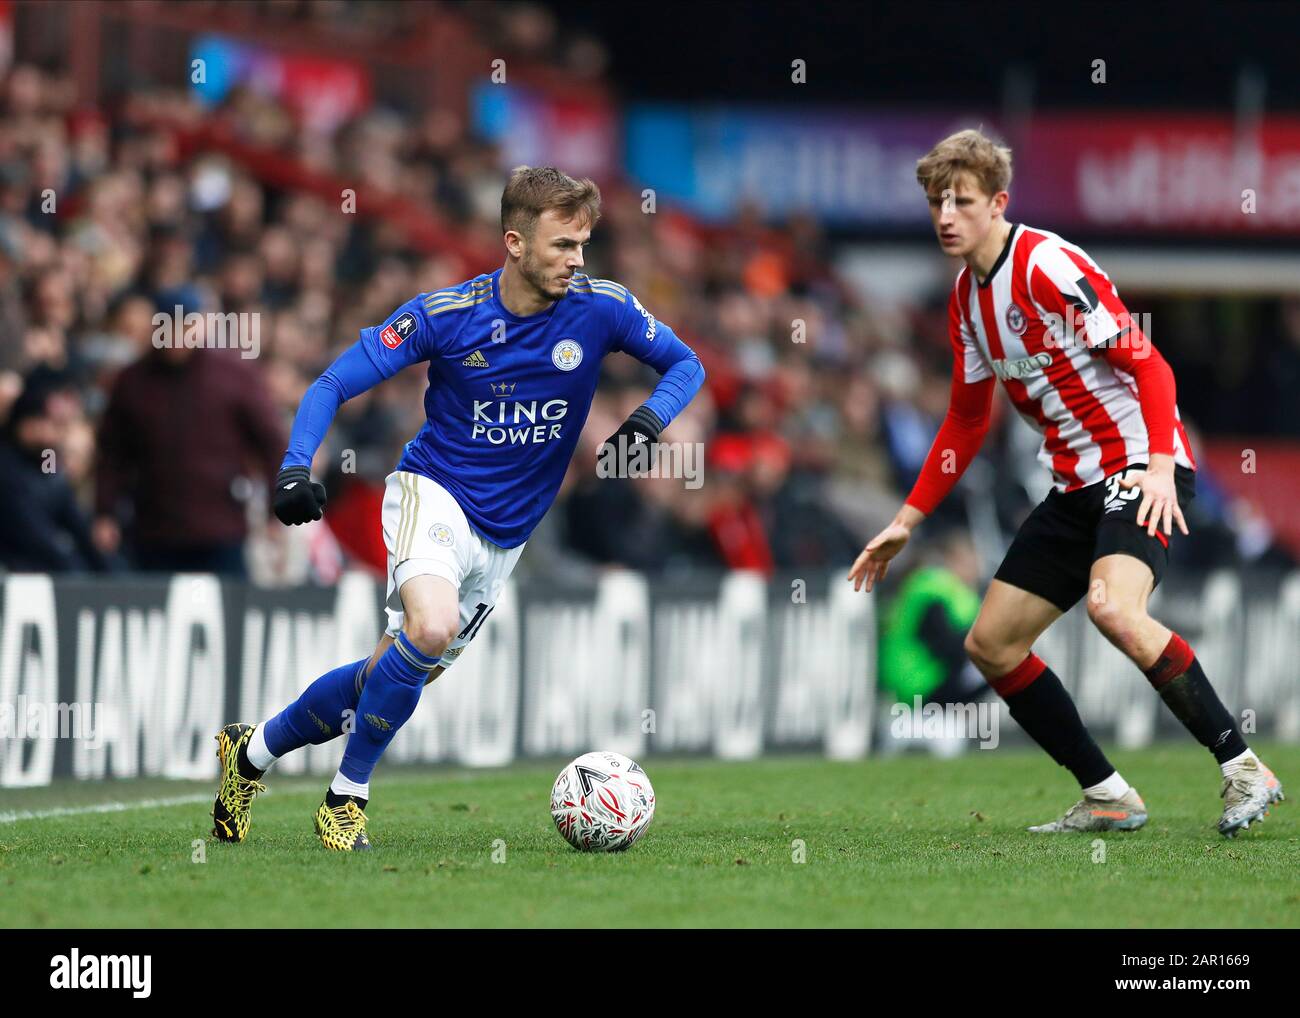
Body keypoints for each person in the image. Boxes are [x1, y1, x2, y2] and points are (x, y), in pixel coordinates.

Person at [210, 166, 705, 850]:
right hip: (433, 494)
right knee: (432, 626)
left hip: (507, 537)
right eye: (563, 245)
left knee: (387, 672)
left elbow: (687, 365)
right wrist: (296, 465)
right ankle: (345, 799)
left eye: (583, 244)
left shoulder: (603, 308)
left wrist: (648, 423)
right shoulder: (445, 315)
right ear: (514, 242)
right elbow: (331, 383)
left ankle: (249, 754)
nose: (577, 260)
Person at [848, 129, 1283, 837]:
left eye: (960, 200)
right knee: (990, 644)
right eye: (936, 202)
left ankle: (1243, 769)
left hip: (1138, 467)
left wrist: (1162, 468)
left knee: (1114, 609)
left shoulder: (1046, 265)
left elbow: (1151, 367)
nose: (945, 216)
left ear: (998, 202)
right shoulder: (965, 300)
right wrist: (908, 517)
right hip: (1075, 486)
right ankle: (1109, 793)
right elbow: (964, 421)